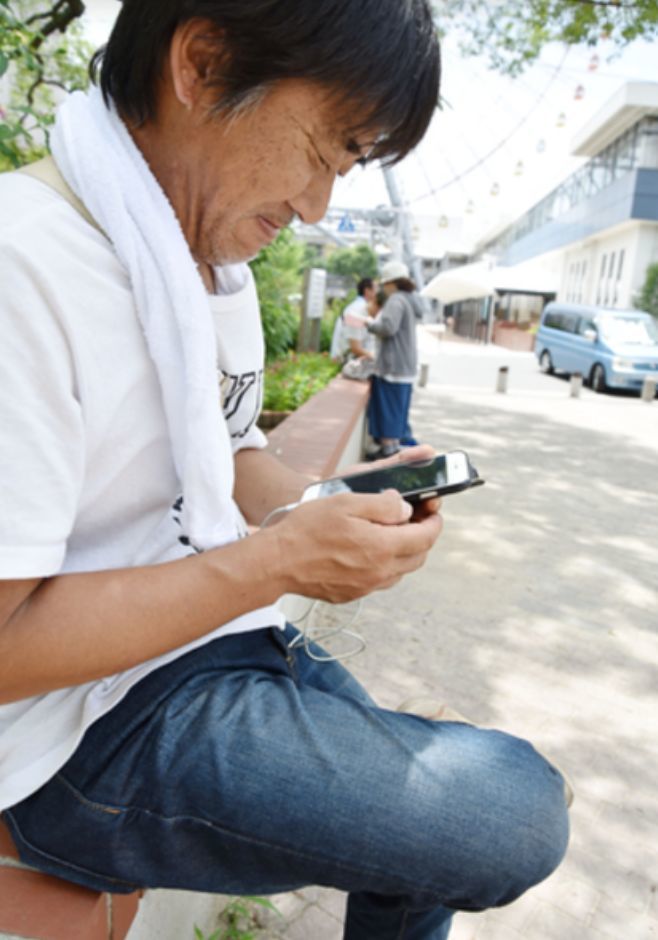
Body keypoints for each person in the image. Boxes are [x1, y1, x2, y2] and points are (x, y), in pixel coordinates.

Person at [0, 3, 569, 938]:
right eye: (319, 150)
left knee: (438, 835)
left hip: (211, 644)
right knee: (512, 810)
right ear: (204, 63)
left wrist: (331, 508)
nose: (315, 205)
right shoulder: (29, 267)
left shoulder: (203, 262)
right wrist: (275, 565)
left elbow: (227, 449)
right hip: (73, 736)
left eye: (342, 173)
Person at [366, 261, 423, 459]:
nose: (383, 288)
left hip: (393, 365)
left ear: (391, 282)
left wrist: (370, 324)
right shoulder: (411, 299)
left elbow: (388, 327)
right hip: (405, 367)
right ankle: (393, 450)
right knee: (398, 411)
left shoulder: (396, 300)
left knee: (388, 409)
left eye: (384, 284)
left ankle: (388, 453)